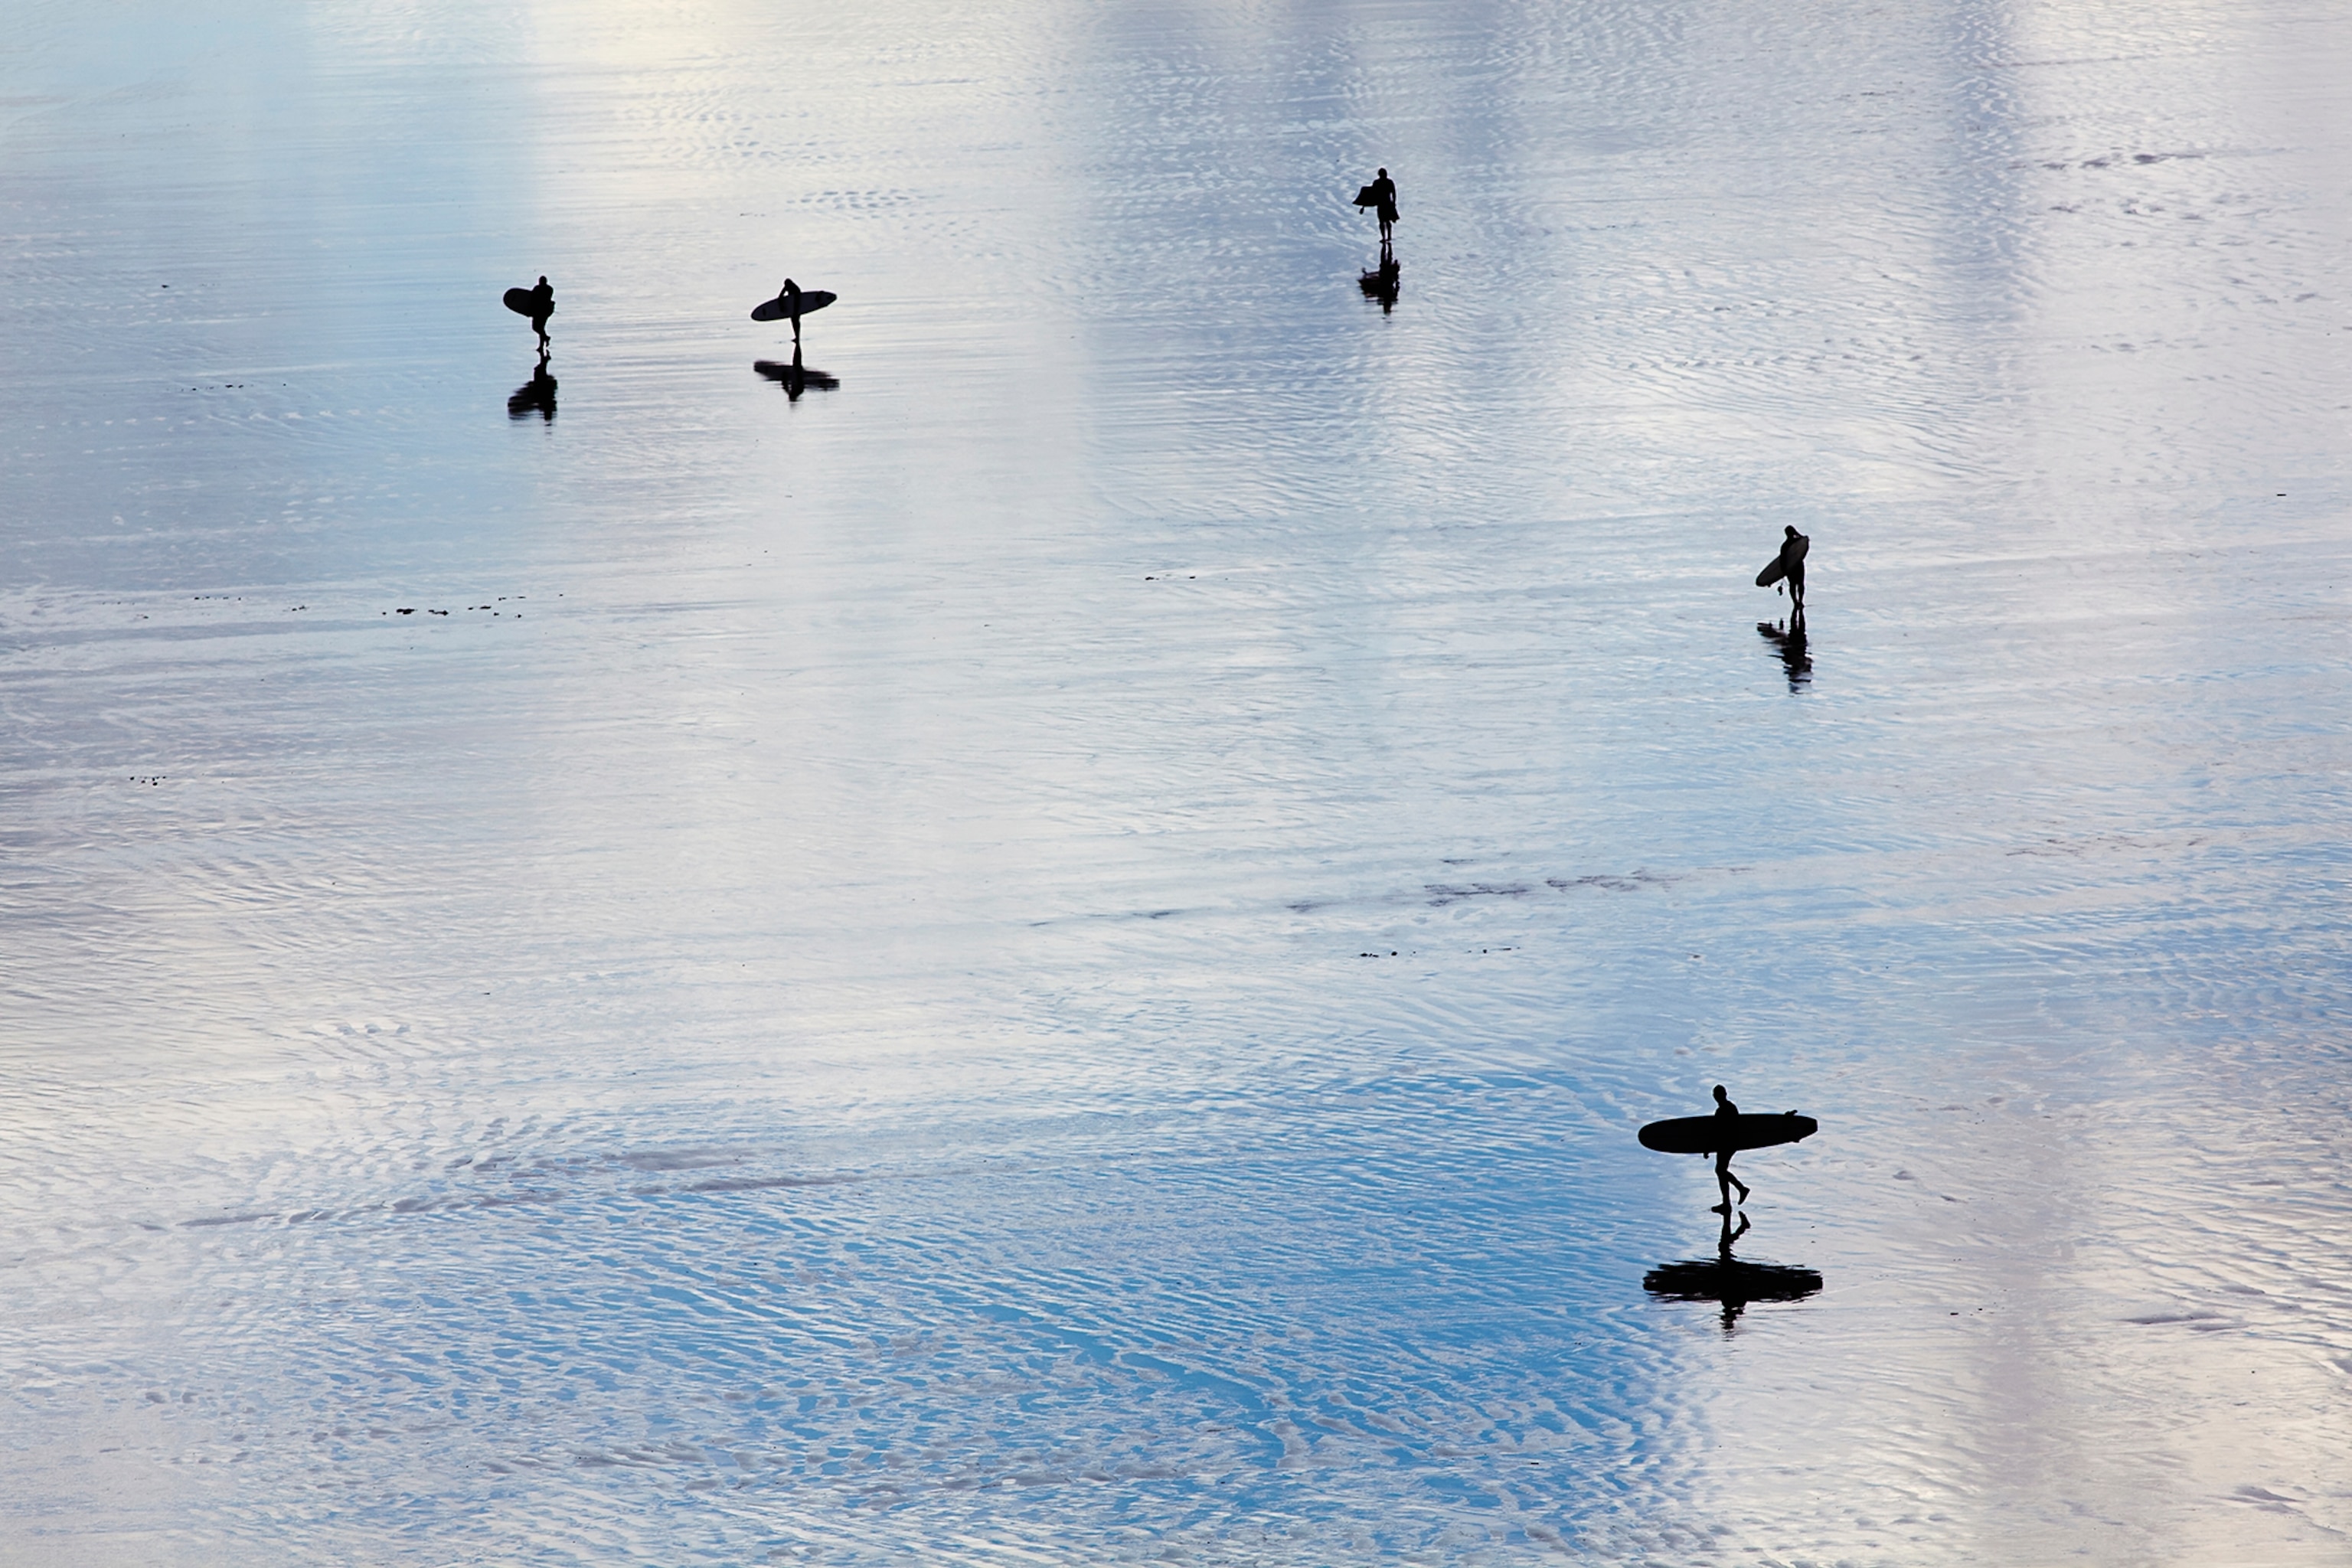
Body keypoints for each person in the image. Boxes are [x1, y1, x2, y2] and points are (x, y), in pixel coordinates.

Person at [1710, 1083, 1750, 1213]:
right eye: (1715, 1095)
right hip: (1725, 1144)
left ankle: (1741, 1189)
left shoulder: (1727, 1109)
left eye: (1718, 1095)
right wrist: (1707, 1148)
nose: (1717, 1097)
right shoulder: (1724, 1109)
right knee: (1721, 1171)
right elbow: (1715, 1132)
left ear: (1724, 1095)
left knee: (1720, 1171)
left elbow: (1722, 1130)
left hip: (1728, 1144)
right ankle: (1726, 1203)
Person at [1370, 167, 1398, 246]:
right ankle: (1387, 237)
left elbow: (1372, 193)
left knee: (1383, 221)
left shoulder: (1378, 183)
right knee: (1385, 221)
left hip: (1383, 204)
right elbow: (1394, 193)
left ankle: (1386, 237)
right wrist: (1394, 202)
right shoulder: (1388, 182)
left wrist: (1394, 202)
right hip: (1385, 204)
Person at [525, 276, 554, 354]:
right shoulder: (549, 289)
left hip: (540, 311)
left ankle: (542, 344)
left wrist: (529, 311)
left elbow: (533, 299)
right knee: (539, 328)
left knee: (538, 328)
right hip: (544, 311)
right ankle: (544, 341)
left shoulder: (540, 289)